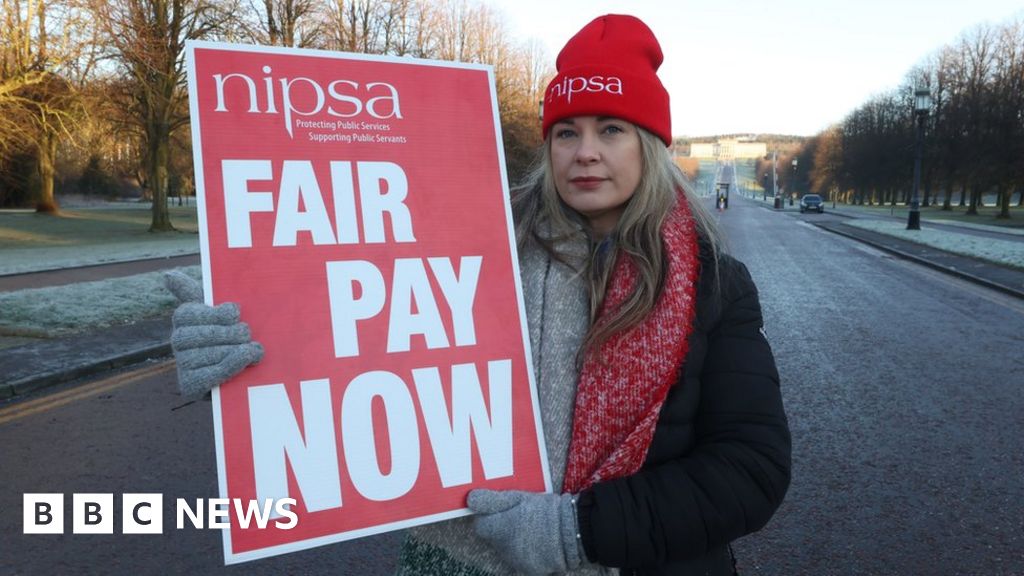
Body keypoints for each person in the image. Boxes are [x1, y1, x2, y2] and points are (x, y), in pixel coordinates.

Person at [166, 13, 790, 576]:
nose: (586, 152)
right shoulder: (465, 245)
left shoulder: (713, 283)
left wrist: (578, 530)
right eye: (566, 132)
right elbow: (348, 337)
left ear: (650, 146)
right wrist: (245, 341)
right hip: (454, 560)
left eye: (612, 129)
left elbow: (750, 469)